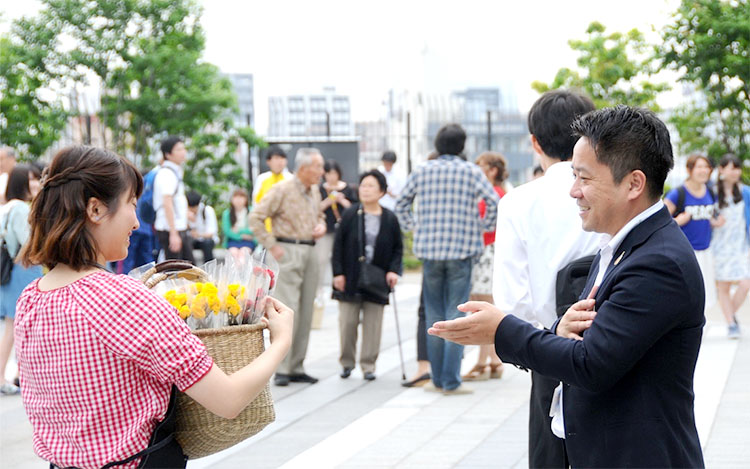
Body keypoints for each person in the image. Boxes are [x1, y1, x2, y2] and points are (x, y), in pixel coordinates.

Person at [430, 106, 705, 468]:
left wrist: (501, 331)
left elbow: (592, 365)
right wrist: (559, 330)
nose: (573, 191)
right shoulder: (621, 245)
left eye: (585, 178)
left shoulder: (659, 262)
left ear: (634, 184)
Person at [14, 145, 293, 468]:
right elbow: (227, 400)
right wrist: (281, 341)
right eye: (131, 205)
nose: (136, 221)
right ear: (95, 210)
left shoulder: (32, 298)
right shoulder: (123, 298)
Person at [468, 90, 601, 468]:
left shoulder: (518, 201)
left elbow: (511, 301)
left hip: (547, 345)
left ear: (534, 141)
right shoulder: (612, 193)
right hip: (613, 335)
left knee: (550, 455)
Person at [395, 124, 499, 395]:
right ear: (462, 146)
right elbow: (493, 201)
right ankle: (451, 381)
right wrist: (483, 225)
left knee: (433, 314)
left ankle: (437, 379)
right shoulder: (471, 171)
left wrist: (415, 226)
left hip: (430, 251)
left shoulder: (422, 170)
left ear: (438, 144)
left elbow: (401, 204)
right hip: (462, 251)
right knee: (456, 315)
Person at [249, 148, 326, 387]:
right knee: (288, 308)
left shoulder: (313, 190)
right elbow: (256, 217)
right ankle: (282, 367)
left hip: (310, 249)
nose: (321, 172)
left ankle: (296, 366)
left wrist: (321, 225)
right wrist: (273, 246)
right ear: (303, 168)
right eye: (318, 167)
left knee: (306, 309)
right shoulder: (282, 189)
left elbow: (319, 216)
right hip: (288, 249)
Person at [332, 170, 402, 381]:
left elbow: (398, 248)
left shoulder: (390, 218)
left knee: (373, 325)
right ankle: (346, 362)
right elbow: (338, 246)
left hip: (377, 278)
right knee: (347, 323)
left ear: (381, 191)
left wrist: (393, 270)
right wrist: (338, 273)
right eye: (363, 185)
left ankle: (368, 365)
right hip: (350, 277)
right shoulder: (351, 214)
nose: (365, 189)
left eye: (371, 186)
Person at [462, 152, 508, 382]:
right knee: (486, 303)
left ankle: (485, 360)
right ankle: (491, 360)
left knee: (482, 304)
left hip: (487, 250)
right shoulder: (498, 193)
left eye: (482, 166)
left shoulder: (493, 194)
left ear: (493, 170)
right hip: (488, 250)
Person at [0, 165, 44, 395]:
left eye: (37, 178)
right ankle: (5, 377)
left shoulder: (9, 207)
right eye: (30, 179)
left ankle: (15, 375)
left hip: (15, 270)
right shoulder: (19, 208)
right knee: (16, 327)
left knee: (15, 326)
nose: (35, 183)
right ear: (20, 183)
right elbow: (28, 242)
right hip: (24, 268)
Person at [664, 154, 723, 311]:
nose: (704, 171)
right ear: (689, 170)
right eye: (699, 167)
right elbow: (659, 221)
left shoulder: (710, 192)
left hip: (706, 252)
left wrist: (716, 222)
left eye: (707, 167)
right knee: (685, 295)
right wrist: (678, 221)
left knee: (704, 296)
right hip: (684, 253)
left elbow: (713, 215)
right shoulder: (678, 194)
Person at [712, 153, 750, 338]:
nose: (734, 172)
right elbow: (706, 216)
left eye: (737, 168)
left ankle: (730, 315)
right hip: (718, 246)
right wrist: (712, 222)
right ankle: (731, 324)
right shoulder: (711, 191)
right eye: (730, 168)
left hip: (740, 246)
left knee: (745, 284)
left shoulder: (745, 192)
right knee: (724, 287)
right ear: (721, 170)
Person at [316, 159, 357, 310]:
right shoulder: (320, 189)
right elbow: (315, 208)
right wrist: (328, 200)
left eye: (334, 173)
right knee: (321, 259)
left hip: (343, 230)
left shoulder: (347, 188)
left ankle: (342, 287)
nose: (331, 176)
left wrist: (342, 199)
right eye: (328, 173)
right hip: (326, 229)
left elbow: (354, 208)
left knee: (342, 259)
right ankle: (318, 290)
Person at [153, 136, 193, 263]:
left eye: (183, 148)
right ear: (168, 154)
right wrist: (173, 234)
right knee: (176, 271)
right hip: (170, 229)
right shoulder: (167, 173)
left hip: (177, 228)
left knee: (187, 269)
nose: (183, 152)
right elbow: (167, 203)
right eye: (179, 149)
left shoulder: (174, 172)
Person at [253, 146, 292, 232]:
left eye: (283, 158)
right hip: (266, 228)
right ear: (268, 161)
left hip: (286, 229)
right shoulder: (262, 179)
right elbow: (256, 203)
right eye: (277, 158)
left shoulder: (291, 179)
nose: (280, 161)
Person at [222, 188, 256, 260]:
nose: (238, 200)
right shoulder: (227, 213)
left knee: (243, 254)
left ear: (246, 199)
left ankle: (240, 271)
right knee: (234, 254)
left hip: (248, 241)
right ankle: (239, 271)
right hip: (232, 240)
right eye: (236, 197)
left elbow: (254, 229)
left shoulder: (251, 212)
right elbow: (227, 231)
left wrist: (239, 230)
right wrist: (242, 236)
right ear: (232, 199)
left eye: (241, 197)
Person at [186, 191, 219, 264]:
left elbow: (211, 233)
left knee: (207, 243)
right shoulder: (185, 212)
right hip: (192, 241)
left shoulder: (207, 210)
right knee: (185, 244)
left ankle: (209, 269)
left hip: (205, 240)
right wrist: (186, 219)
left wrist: (198, 234)